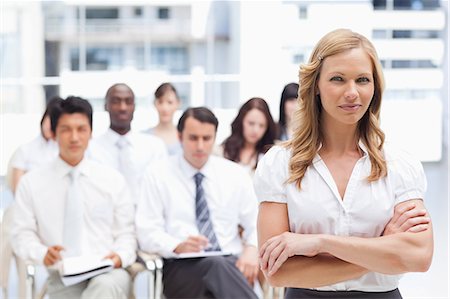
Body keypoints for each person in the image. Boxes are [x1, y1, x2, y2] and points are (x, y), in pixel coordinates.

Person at [255, 29, 433, 298]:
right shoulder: (280, 164)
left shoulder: (398, 164)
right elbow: (277, 270)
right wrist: (380, 249)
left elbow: (418, 256)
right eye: (338, 79)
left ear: (375, 87)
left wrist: (319, 243)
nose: (352, 92)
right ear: (315, 85)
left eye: (362, 80)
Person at [11, 96, 136, 298]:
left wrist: (120, 256)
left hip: (109, 272)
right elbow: (21, 235)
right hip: (62, 275)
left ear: (91, 132)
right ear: (53, 133)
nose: (74, 137)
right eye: (66, 129)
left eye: (81, 129)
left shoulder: (112, 180)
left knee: (103, 288)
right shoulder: (32, 183)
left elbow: (127, 234)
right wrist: (42, 253)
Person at [136, 107, 259, 299]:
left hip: (231, 264)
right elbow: (146, 230)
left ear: (215, 137)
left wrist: (252, 249)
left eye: (207, 138)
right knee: (215, 266)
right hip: (182, 267)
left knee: (219, 271)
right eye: (193, 138)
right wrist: (176, 245)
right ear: (179, 137)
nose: (200, 146)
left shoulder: (235, 175)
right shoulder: (157, 174)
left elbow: (257, 223)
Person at [2, 96, 62, 299]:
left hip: (55, 213)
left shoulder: (64, 152)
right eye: (47, 118)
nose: (48, 124)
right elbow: (19, 191)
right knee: (13, 220)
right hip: (28, 209)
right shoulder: (25, 151)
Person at [89, 83, 167, 202]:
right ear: (105, 106)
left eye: (128, 101)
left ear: (134, 106)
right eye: (116, 101)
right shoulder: (90, 149)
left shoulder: (154, 148)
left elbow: (162, 188)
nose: (123, 108)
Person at [9, 96, 62, 193]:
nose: (50, 125)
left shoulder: (64, 151)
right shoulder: (25, 150)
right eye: (49, 119)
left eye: (56, 122)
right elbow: (17, 190)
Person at [220, 97, 276, 175]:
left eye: (262, 125)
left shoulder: (272, 155)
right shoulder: (222, 151)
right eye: (251, 123)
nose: (256, 130)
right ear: (241, 121)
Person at [143, 82, 182, 155]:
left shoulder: (185, 136)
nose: (165, 108)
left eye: (170, 102)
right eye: (160, 102)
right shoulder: (145, 137)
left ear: (178, 103)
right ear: (155, 104)